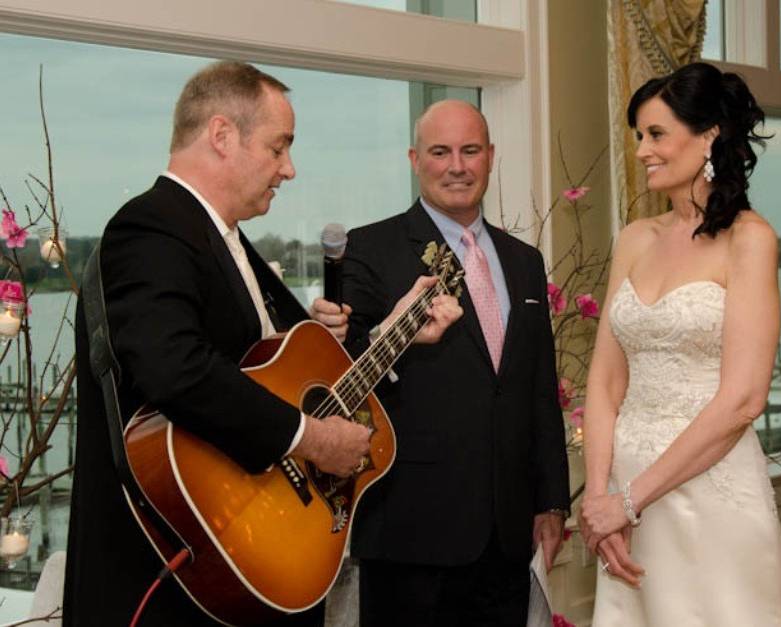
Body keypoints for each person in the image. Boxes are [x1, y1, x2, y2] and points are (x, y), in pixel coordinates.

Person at [64, 61, 461, 626]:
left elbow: (274, 381)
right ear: (222, 135)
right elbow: (173, 368)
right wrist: (312, 438)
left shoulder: (230, 245)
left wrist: (389, 335)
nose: (289, 169)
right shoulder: (152, 226)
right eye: (278, 148)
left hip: (244, 568)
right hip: (177, 577)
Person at [311, 99, 570, 626]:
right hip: (412, 531)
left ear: (491, 157)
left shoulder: (524, 261)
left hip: (506, 533)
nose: (457, 165)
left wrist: (551, 500)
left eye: (470, 150)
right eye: (440, 152)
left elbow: (538, 388)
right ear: (414, 159)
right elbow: (343, 379)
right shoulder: (367, 250)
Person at [578, 62, 781, 625]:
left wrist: (631, 499)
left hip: (709, 487)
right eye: (638, 137)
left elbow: (744, 399)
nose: (642, 151)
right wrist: (601, 498)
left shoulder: (750, 240)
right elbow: (604, 382)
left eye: (655, 134)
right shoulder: (634, 238)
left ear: (708, 136)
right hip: (624, 488)